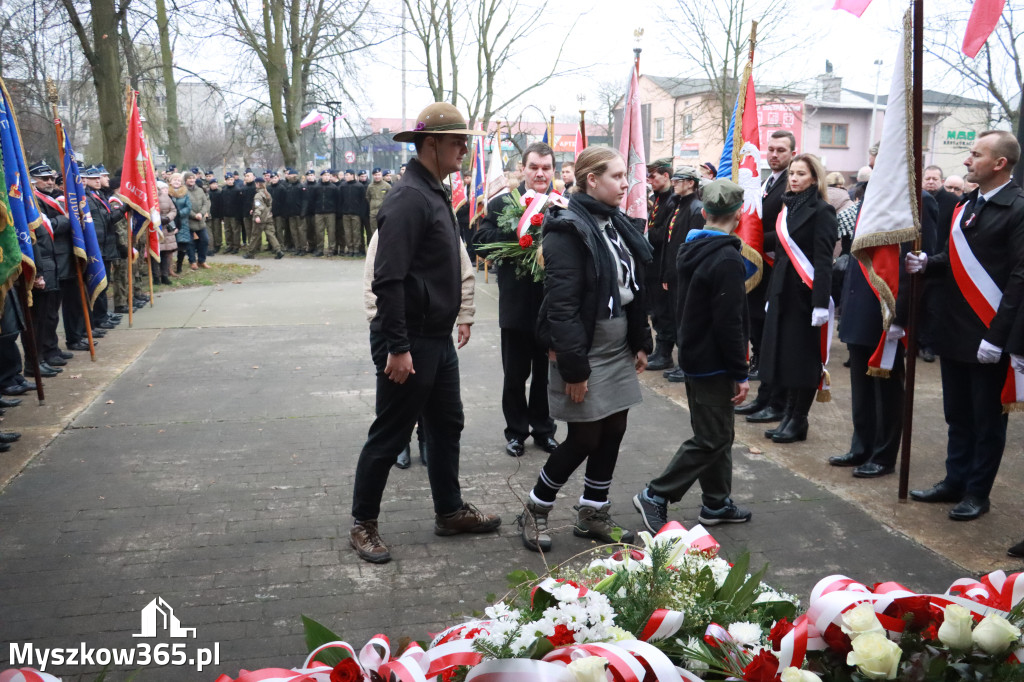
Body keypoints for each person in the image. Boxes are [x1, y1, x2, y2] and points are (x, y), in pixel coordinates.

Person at [349, 102, 500, 564]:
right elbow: (388, 279)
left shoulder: (432, 191)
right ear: (430, 144)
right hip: (408, 339)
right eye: (457, 141)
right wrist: (397, 347)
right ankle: (363, 524)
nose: (464, 150)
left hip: (433, 338)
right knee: (391, 434)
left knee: (446, 424)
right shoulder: (409, 198)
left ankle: (449, 511)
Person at [518, 146, 652, 552]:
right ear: (591, 179)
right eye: (616, 176)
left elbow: (635, 285)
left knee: (614, 429)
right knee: (583, 438)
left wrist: (641, 341)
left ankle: (593, 511)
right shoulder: (567, 230)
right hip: (582, 347)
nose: (625, 183)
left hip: (616, 343)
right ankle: (536, 508)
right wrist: (575, 369)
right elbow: (561, 307)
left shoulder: (616, 223)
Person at [905, 130, 1024, 522]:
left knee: (987, 419)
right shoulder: (966, 204)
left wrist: (999, 336)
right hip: (955, 328)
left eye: (976, 154)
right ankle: (954, 480)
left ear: (999, 163)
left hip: (989, 332)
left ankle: (977, 492)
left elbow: (1019, 278)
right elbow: (955, 257)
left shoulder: (1018, 207)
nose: (968, 160)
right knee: (957, 413)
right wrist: (929, 263)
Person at [633, 180, 752, 532]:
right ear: (739, 214)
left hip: (695, 355)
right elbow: (729, 324)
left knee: (718, 432)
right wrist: (741, 371)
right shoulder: (727, 257)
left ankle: (716, 502)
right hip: (713, 362)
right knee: (712, 437)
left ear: (703, 212)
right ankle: (656, 494)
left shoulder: (692, 246)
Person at [830, 188, 938, 478]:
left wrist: (900, 315)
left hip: (886, 308)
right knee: (861, 388)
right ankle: (861, 446)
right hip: (858, 304)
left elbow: (918, 265)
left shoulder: (918, 200)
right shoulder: (872, 197)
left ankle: (883, 454)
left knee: (886, 389)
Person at [474, 142, 560, 458]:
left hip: (551, 306)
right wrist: (519, 235)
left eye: (546, 168)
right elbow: (480, 243)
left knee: (545, 376)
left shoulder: (562, 205)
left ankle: (543, 430)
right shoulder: (501, 204)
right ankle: (515, 432)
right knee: (514, 375)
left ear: (553, 170)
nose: (540, 173)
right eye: (534, 167)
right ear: (522, 169)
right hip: (516, 305)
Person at [759, 153, 837, 443]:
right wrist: (771, 294)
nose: (793, 178)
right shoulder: (786, 208)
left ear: (814, 179)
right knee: (786, 358)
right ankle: (788, 415)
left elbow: (823, 259)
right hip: (782, 294)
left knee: (802, 360)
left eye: (801, 174)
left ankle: (799, 419)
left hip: (805, 297)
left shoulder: (822, 211)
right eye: (792, 173)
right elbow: (780, 258)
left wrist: (820, 303)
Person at [735, 130, 795, 422]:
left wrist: (752, 243)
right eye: (770, 149)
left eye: (781, 150)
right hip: (762, 266)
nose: (774, 155)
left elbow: (786, 230)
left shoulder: (790, 184)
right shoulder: (765, 183)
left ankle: (775, 401)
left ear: (792, 154)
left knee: (775, 341)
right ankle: (764, 397)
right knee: (760, 333)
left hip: (778, 267)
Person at [659, 166, 705, 382]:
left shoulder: (696, 208)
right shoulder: (678, 205)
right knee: (677, 320)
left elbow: (691, 247)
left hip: (685, 275)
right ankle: (682, 364)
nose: (675, 182)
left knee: (685, 322)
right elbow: (671, 243)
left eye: (680, 179)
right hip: (675, 273)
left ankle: (687, 366)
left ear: (691, 183)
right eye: (675, 179)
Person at [644, 158, 677, 372]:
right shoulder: (655, 198)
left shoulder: (673, 201)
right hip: (652, 262)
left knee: (664, 310)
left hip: (663, 262)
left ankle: (665, 353)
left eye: (653, 176)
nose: (650, 180)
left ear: (666, 176)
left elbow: (664, 233)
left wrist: (645, 233)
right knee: (655, 310)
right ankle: (659, 350)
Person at [244, 177, 285, 259]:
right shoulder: (267, 193)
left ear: (258, 184)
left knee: (255, 235)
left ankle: (250, 253)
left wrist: (257, 216)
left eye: (256, 183)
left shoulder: (258, 195)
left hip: (261, 218)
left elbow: (259, 206)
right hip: (268, 217)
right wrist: (264, 211)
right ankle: (278, 251)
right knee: (271, 235)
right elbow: (269, 205)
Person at [167, 172, 193, 274]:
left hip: (183, 223)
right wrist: (173, 215)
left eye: (178, 180)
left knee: (182, 246)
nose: (177, 182)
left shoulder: (185, 193)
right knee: (170, 246)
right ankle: (168, 268)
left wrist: (179, 214)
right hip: (170, 222)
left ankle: (179, 266)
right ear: (170, 181)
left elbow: (188, 207)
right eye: (175, 180)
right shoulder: (167, 192)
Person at [185, 171, 211, 270]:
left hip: (201, 221)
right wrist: (194, 215)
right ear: (186, 180)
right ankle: (192, 261)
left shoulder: (200, 190)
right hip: (189, 221)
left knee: (205, 240)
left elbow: (206, 203)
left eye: (193, 178)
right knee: (190, 242)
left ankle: (202, 260)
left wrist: (202, 213)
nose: (192, 180)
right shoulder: (183, 191)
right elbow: (184, 206)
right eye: (189, 178)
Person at [309, 170, 338, 256]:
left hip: (330, 212)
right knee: (319, 232)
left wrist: (335, 210)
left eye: (328, 175)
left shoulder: (333, 187)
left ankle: (332, 249)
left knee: (331, 232)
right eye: (325, 175)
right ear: (321, 176)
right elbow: (312, 200)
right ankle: (320, 249)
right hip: (319, 213)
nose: (326, 177)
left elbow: (337, 200)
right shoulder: (316, 187)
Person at [155, 181, 178, 284]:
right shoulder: (146, 197)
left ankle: (165, 275)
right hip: (154, 229)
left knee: (166, 253)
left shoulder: (165, 197)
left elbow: (173, 210)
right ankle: (155, 277)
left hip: (166, 228)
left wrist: (168, 218)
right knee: (155, 254)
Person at [365, 167, 390, 240]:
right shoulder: (370, 186)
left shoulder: (387, 186)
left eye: (379, 174)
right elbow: (368, 197)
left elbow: (391, 198)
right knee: (374, 232)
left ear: (381, 175)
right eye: (375, 175)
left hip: (383, 212)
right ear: (373, 175)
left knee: (384, 231)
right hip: (373, 213)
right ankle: (375, 249)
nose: (377, 176)